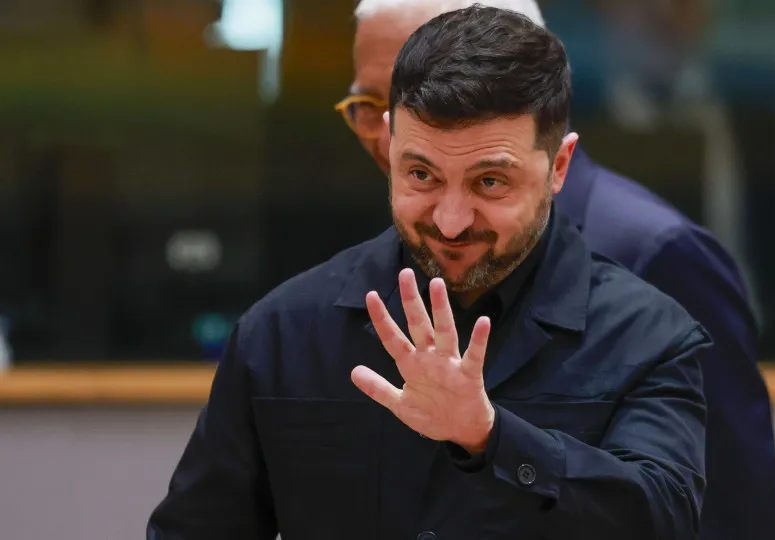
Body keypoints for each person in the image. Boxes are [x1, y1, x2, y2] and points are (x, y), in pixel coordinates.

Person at [148, 6, 711, 539]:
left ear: (558, 166)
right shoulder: (282, 332)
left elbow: (662, 520)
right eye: (422, 175)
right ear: (390, 145)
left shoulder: (650, 338)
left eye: (490, 182)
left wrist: (492, 437)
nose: (450, 221)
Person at [341, 1, 775, 539]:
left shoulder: (654, 254)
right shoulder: (372, 267)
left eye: (440, 88)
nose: (387, 133)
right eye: (372, 105)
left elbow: (731, 513)